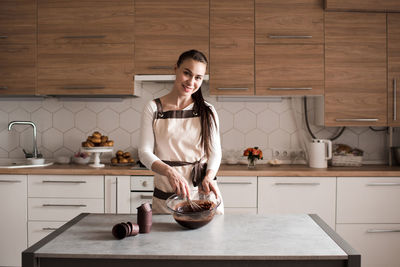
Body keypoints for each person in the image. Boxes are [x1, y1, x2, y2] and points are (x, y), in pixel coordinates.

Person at [138, 49, 223, 214]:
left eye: (198, 77)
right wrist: (170, 172)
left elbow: (215, 153)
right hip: (167, 197)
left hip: (203, 196)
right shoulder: (154, 108)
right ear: (175, 69)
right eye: (187, 73)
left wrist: (209, 176)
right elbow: (144, 152)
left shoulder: (208, 110)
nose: (191, 82)